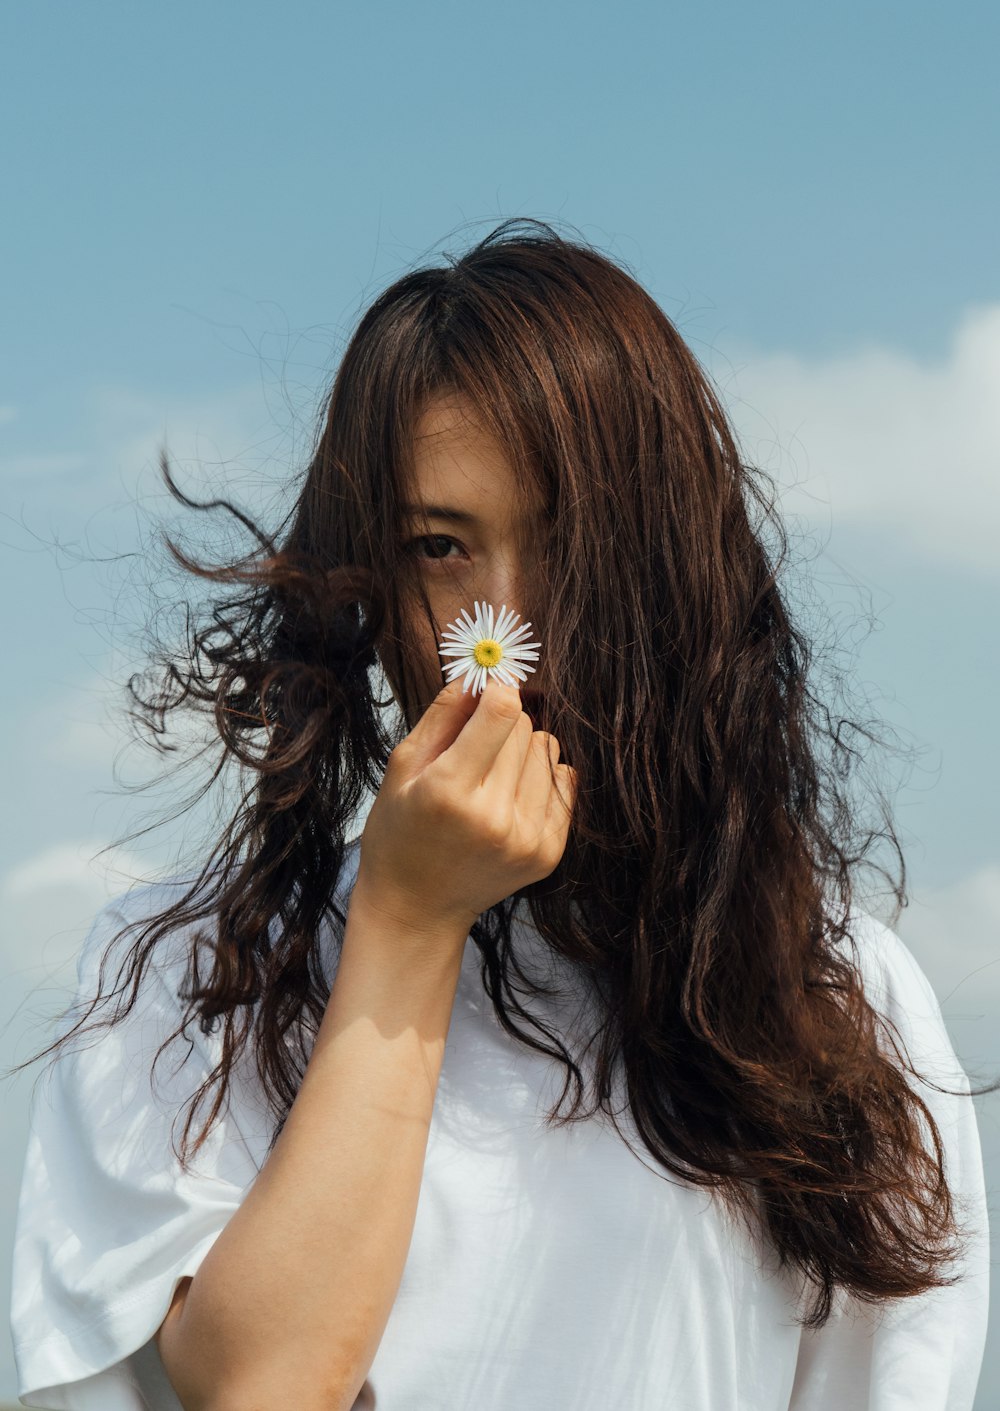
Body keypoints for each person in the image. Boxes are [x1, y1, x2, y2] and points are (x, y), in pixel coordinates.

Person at [9, 220, 990, 1410]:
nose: (503, 637)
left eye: (570, 539)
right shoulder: (188, 979)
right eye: (438, 547)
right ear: (364, 582)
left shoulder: (833, 994)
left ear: (669, 564)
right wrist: (409, 928)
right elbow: (257, 1390)